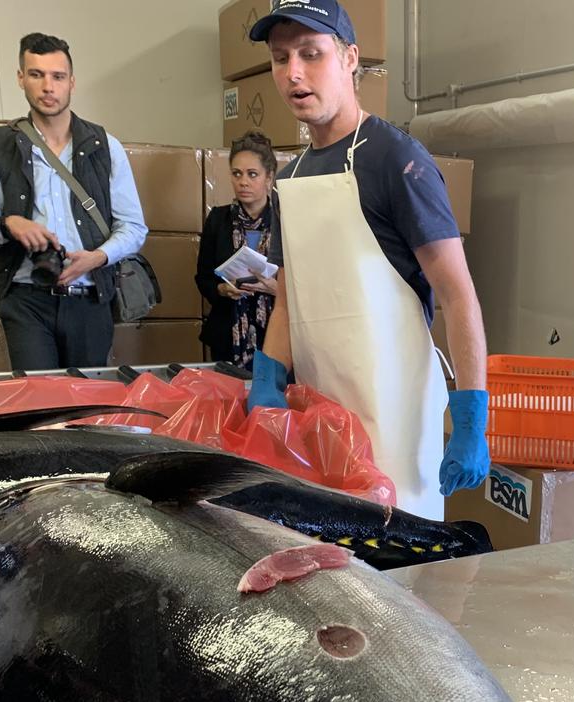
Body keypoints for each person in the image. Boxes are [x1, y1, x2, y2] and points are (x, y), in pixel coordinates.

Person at [244, 0, 489, 520]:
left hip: (395, 421)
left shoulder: (397, 160)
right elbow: (288, 301)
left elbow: (457, 294)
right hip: (322, 418)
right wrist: (267, 379)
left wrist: (470, 416)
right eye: (281, 58)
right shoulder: (289, 179)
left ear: (350, 58)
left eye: (311, 54)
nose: (293, 73)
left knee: (396, 556)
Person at [0, 32, 147, 371]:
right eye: (36, 75)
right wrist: (10, 224)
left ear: (72, 83)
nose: (48, 87)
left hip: (90, 299)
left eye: (58, 76)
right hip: (26, 300)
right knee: (40, 397)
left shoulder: (105, 146)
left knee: (86, 398)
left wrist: (96, 258)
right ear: (21, 78)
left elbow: (134, 228)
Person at [196, 131, 280, 369]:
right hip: (227, 334)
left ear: (269, 177)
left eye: (252, 174)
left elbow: (305, 285)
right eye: (237, 174)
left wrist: (277, 290)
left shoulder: (285, 221)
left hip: (275, 333)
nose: (243, 182)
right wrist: (222, 289)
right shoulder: (218, 219)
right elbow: (203, 278)